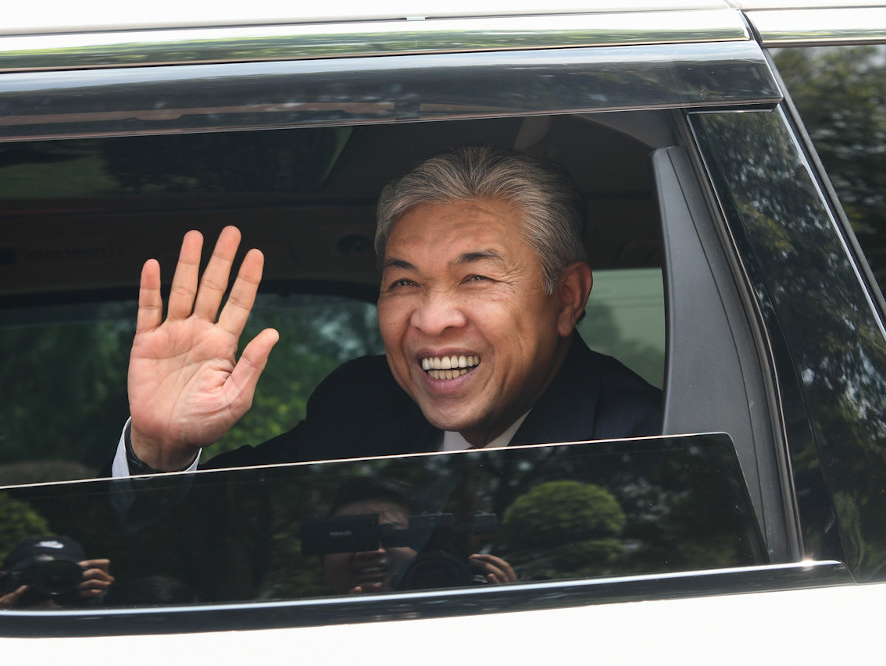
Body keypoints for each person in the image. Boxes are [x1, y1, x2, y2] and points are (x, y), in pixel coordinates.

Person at [112, 145, 661, 476]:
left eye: (475, 277)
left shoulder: (652, 442)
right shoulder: (362, 407)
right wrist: (159, 450)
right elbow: (191, 549)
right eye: (404, 282)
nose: (431, 319)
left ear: (567, 298)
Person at [317, 478, 515, 594]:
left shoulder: (467, 607)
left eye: (392, 533)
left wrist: (507, 608)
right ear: (322, 559)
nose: (370, 551)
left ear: (425, 546)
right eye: (349, 536)